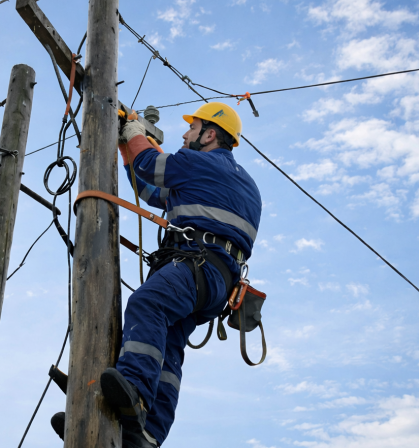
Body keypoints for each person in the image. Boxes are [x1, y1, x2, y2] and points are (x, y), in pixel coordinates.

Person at [51, 102, 262, 447]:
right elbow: (152, 191)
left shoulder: (199, 163)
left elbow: (151, 165)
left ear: (209, 135)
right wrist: (125, 145)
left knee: (147, 304)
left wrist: (134, 132)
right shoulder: (240, 182)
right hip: (218, 282)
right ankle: (145, 435)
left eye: (192, 129)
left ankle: (133, 389)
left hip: (196, 265)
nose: (184, 134)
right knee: (170, 346)